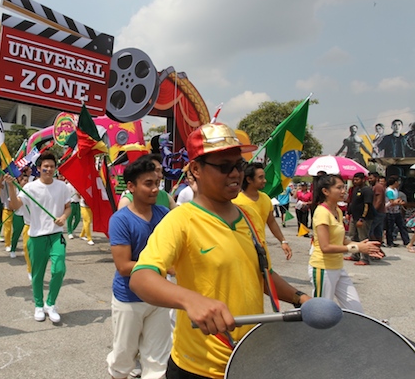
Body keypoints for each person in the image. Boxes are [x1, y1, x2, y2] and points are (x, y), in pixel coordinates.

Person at [129, 122, 312, 378]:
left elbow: (263, 274)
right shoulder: (181, 220)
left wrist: (300, 298)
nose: (235, 174)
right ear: (196, 169)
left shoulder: (249, 217)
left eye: (239, 165)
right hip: (198, 367)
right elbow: (141, 278)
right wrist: (190, 300)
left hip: (248, 359)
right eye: (224, 167)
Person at [107, 158, 171, 379]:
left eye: (156, 183)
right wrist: (163, 266)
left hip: (160, 297)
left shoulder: (165, 214)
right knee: (123, 358)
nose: (155, 189)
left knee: (158, 362)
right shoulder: (120, 220)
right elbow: (123, 266)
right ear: (131, 187)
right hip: (129, 299)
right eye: (148, 184)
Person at [6, 151, 71, 323]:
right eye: (45, 167)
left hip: (56, 235)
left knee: (59, 269)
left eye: (52, 166)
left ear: (55, 168)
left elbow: (68, 207)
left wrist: (63, 217)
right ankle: (39, 305)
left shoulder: (62, 187)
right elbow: (15, 205)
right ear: (39, 168)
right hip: (36, 236)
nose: (48, 169)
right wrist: (11, 187)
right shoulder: (30, 188)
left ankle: (51, 304)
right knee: (37, 274)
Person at [309, 174, 383, 312]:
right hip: (323, 268)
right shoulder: (322, 213)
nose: (343, 191)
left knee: (355, 309)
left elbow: (342, 240)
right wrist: (357, 248)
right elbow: (325, 247)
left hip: (338, 267)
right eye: (339, 188)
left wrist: (363, 246)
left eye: (343, 187)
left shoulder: (337, 210)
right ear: (325, 191)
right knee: (321, 312)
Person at [232, 162, 292, 260]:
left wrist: (283, 241)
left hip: (261, 251)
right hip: (241, 253)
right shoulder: (235, 202)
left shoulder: (266, 199)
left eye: (264, 177)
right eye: (260, 177)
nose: (264, 180)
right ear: (249, 179)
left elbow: (271, 222)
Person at [345, 172, 375, 265]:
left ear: (363, 180)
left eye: (357, 180)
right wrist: (348, 212)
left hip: (364, 218)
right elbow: (352, 203)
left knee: (363, 238)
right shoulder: (356, 189)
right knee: (353, 236)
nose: (355, 181)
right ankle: (355, 255)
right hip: (354, 217)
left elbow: (367, 205)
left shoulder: (367, 190)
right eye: (354, 180)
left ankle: (365, 258)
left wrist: (362, 218)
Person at [385, 176, 410, 247]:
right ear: (395, 182)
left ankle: (406, 241)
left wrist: (399, 201)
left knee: (402, 226)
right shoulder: (389, 191)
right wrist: (399, 203)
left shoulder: (395, 190)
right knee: (390, 228)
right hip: (390, 212)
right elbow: (392, 202)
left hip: (396, 211)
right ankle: (390, 242)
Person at [368, 172, 386, 247]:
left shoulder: (378, 187)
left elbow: (379, 200)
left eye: (371, 178)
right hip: (380, 212)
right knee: (378, 231)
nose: (369, 180)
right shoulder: (376, 187)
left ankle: (376, 247)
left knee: (370, 231)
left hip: (377, 212)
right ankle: (378, 248)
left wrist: (373, 211)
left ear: (376, 178)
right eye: (369, 178)